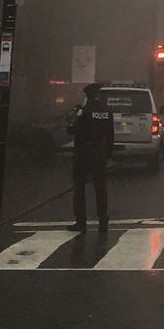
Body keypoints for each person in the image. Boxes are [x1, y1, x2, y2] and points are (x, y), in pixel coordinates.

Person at [71, 81, 114, 231]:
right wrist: (108, 154)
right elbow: (110, 135)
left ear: (87, 95)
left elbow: (75, 131)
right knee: (100, 188)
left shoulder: (84, 111)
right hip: (99, 151)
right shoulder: (107, 111)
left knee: (80, 187)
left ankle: (81, 222)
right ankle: (103, 221)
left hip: (84, 152)